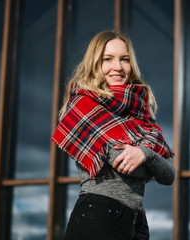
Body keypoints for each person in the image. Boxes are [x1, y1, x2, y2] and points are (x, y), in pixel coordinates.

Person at [52, 31, 175, 240]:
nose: (117, 67)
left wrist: (145, 153)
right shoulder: (84, 105)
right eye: (107, 59)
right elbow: (124, 164)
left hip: (137, 222)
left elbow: (168, 175)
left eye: (124, 59)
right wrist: (150, 161)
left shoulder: (140, 113)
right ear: (94, 64)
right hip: (99, 215)